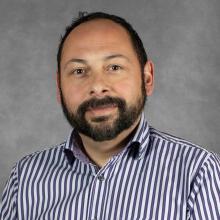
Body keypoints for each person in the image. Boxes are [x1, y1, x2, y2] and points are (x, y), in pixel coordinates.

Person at [0, 12, 220, 220]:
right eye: (78, 71)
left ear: (147, 78)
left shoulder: (198, 173)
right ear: (59, 88)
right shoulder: (26, 177)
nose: (97, 86)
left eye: (114, 67)